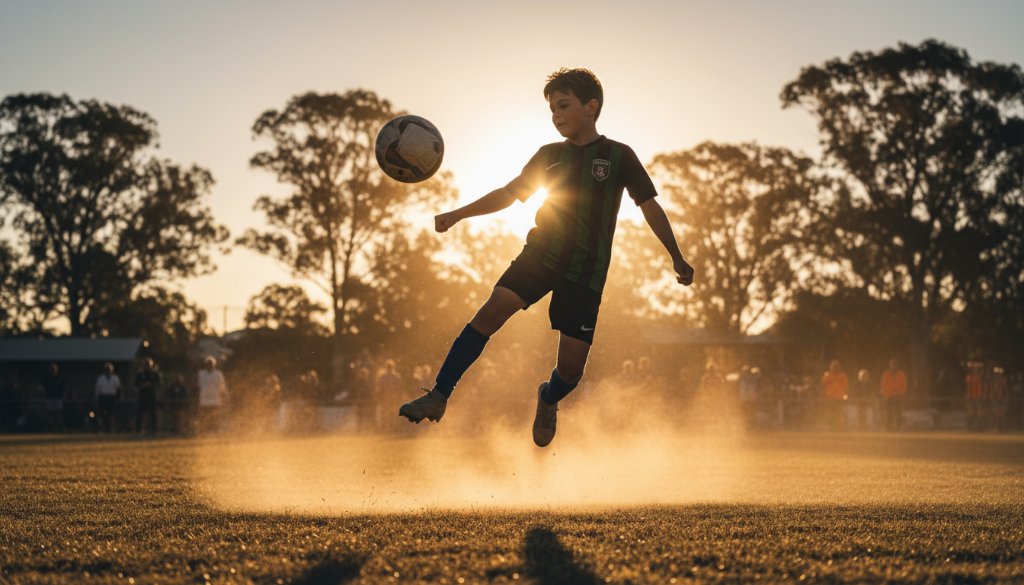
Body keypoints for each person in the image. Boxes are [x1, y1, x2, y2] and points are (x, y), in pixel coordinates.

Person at [398, 68, 694, 447]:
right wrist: (459, 214)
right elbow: (509, 193)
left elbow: (649, 206)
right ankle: (439, 395)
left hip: (586, 272)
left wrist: (676, 255)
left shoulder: (619, 156)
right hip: (541, 254)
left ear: (591, 107)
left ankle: (548, 397)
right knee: (491, 311)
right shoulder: (548, 156)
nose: (555, 114)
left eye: (563, 105)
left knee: (571, 369)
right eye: (551, 108)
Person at [197, 357, 228, 433]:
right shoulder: (201, 373)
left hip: (215, 400)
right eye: (208, 363)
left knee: (215, 416)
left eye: (211, 364)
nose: (209, 365)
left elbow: (222, 385)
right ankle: (204, 430)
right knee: (204, 416)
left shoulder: (218, 374)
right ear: (205, 364)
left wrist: (225, 394)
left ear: (214, 365)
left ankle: (215, 430)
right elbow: (198, 385)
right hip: (204, 400)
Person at [134, 358, 161, 435]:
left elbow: (159, 384)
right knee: (140, 414)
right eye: (146, 365)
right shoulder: (140, 374)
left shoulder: (155, 374)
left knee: (153, 414)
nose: (147, 366)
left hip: (152, 396)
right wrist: (142, 385)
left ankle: (154, 430)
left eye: (149, 365)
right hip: (142, 396)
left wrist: (150, 384)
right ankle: (138, 430)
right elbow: (136, 384)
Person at [880, 358, 908, 432]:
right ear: (890, 365)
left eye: (895, 364)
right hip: (889, 396)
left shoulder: (901, 374)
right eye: (892, 364)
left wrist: (901, 393)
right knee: (888, 413)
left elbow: (904, 384)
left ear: (897, 365)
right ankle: (888, 428)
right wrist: (888, 393)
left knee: (898, 413)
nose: (893, 366)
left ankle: (898, 428)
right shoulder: (886, 374)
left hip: (898, 396)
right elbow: (883, 385)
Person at [821, 359, 849, 431]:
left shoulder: (842, 375)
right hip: (830, 398)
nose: (835, 368)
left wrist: (845, 394)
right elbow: (823, 384)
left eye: (836, 366)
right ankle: (831, 427)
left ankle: (839, 427)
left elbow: (845, 386)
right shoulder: (828, 375)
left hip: (839, 398)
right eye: (833, 366)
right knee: (830, 413)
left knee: (839, 413)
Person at [94, 362, 122, 433]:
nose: (108, 371)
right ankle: (103, 428)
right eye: (107, 369)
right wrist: (97, 397)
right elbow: (97, 389)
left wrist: (119, 397)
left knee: (111, 413)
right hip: (103, 397)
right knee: (103, 413)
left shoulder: (115, 378)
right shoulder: (101, 378)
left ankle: (111, 428)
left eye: (109, 369)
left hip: (112, 397)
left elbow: (118, 388)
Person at [43, 363, 67, 432]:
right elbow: (43, 387)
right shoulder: (47, 378)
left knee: (58, 414)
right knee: (49, 414)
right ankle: (49, 429)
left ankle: (60, 428)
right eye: (51, 369)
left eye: (54, 369)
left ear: (57, 370)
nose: (53, 371)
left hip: (58, 399)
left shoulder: (60, 378)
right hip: (49, 398)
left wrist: (63, 395)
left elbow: (64, 388)